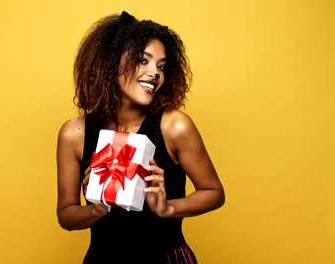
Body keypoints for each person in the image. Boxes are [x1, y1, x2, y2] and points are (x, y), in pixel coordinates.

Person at [57, 11, 225, 264]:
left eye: (161, 66)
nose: (155, 73)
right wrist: (96, 207)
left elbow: (214, 192)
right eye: (143, 60)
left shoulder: (174, 127)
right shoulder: (75, 133)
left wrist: (168, 208)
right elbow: (66, 216)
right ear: (109, 63)